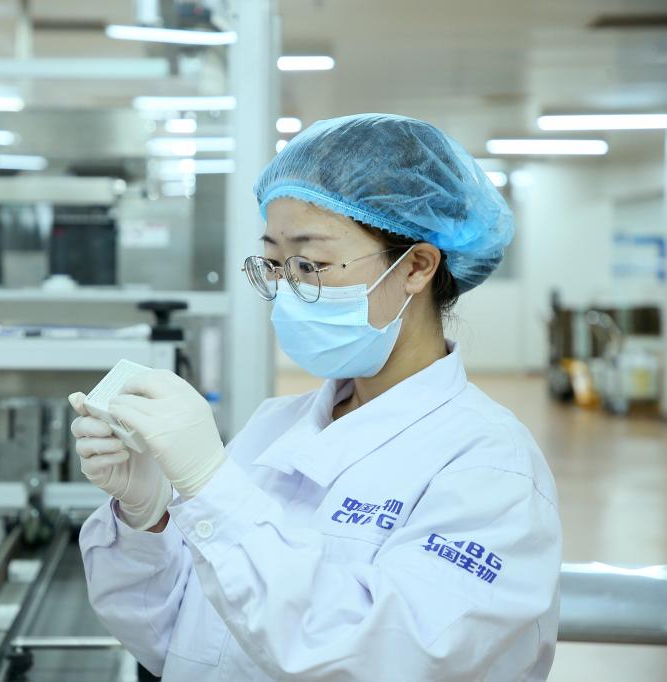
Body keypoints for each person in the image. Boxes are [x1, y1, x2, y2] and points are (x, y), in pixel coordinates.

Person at [69, 113, 561, 681]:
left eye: (311, 264)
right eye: (276, 263)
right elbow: (175, 640)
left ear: (416, 267)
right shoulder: (275, 425)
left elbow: (388, 660)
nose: (288, 290)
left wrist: (211, 488)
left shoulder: (490, 466)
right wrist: (148, 519)